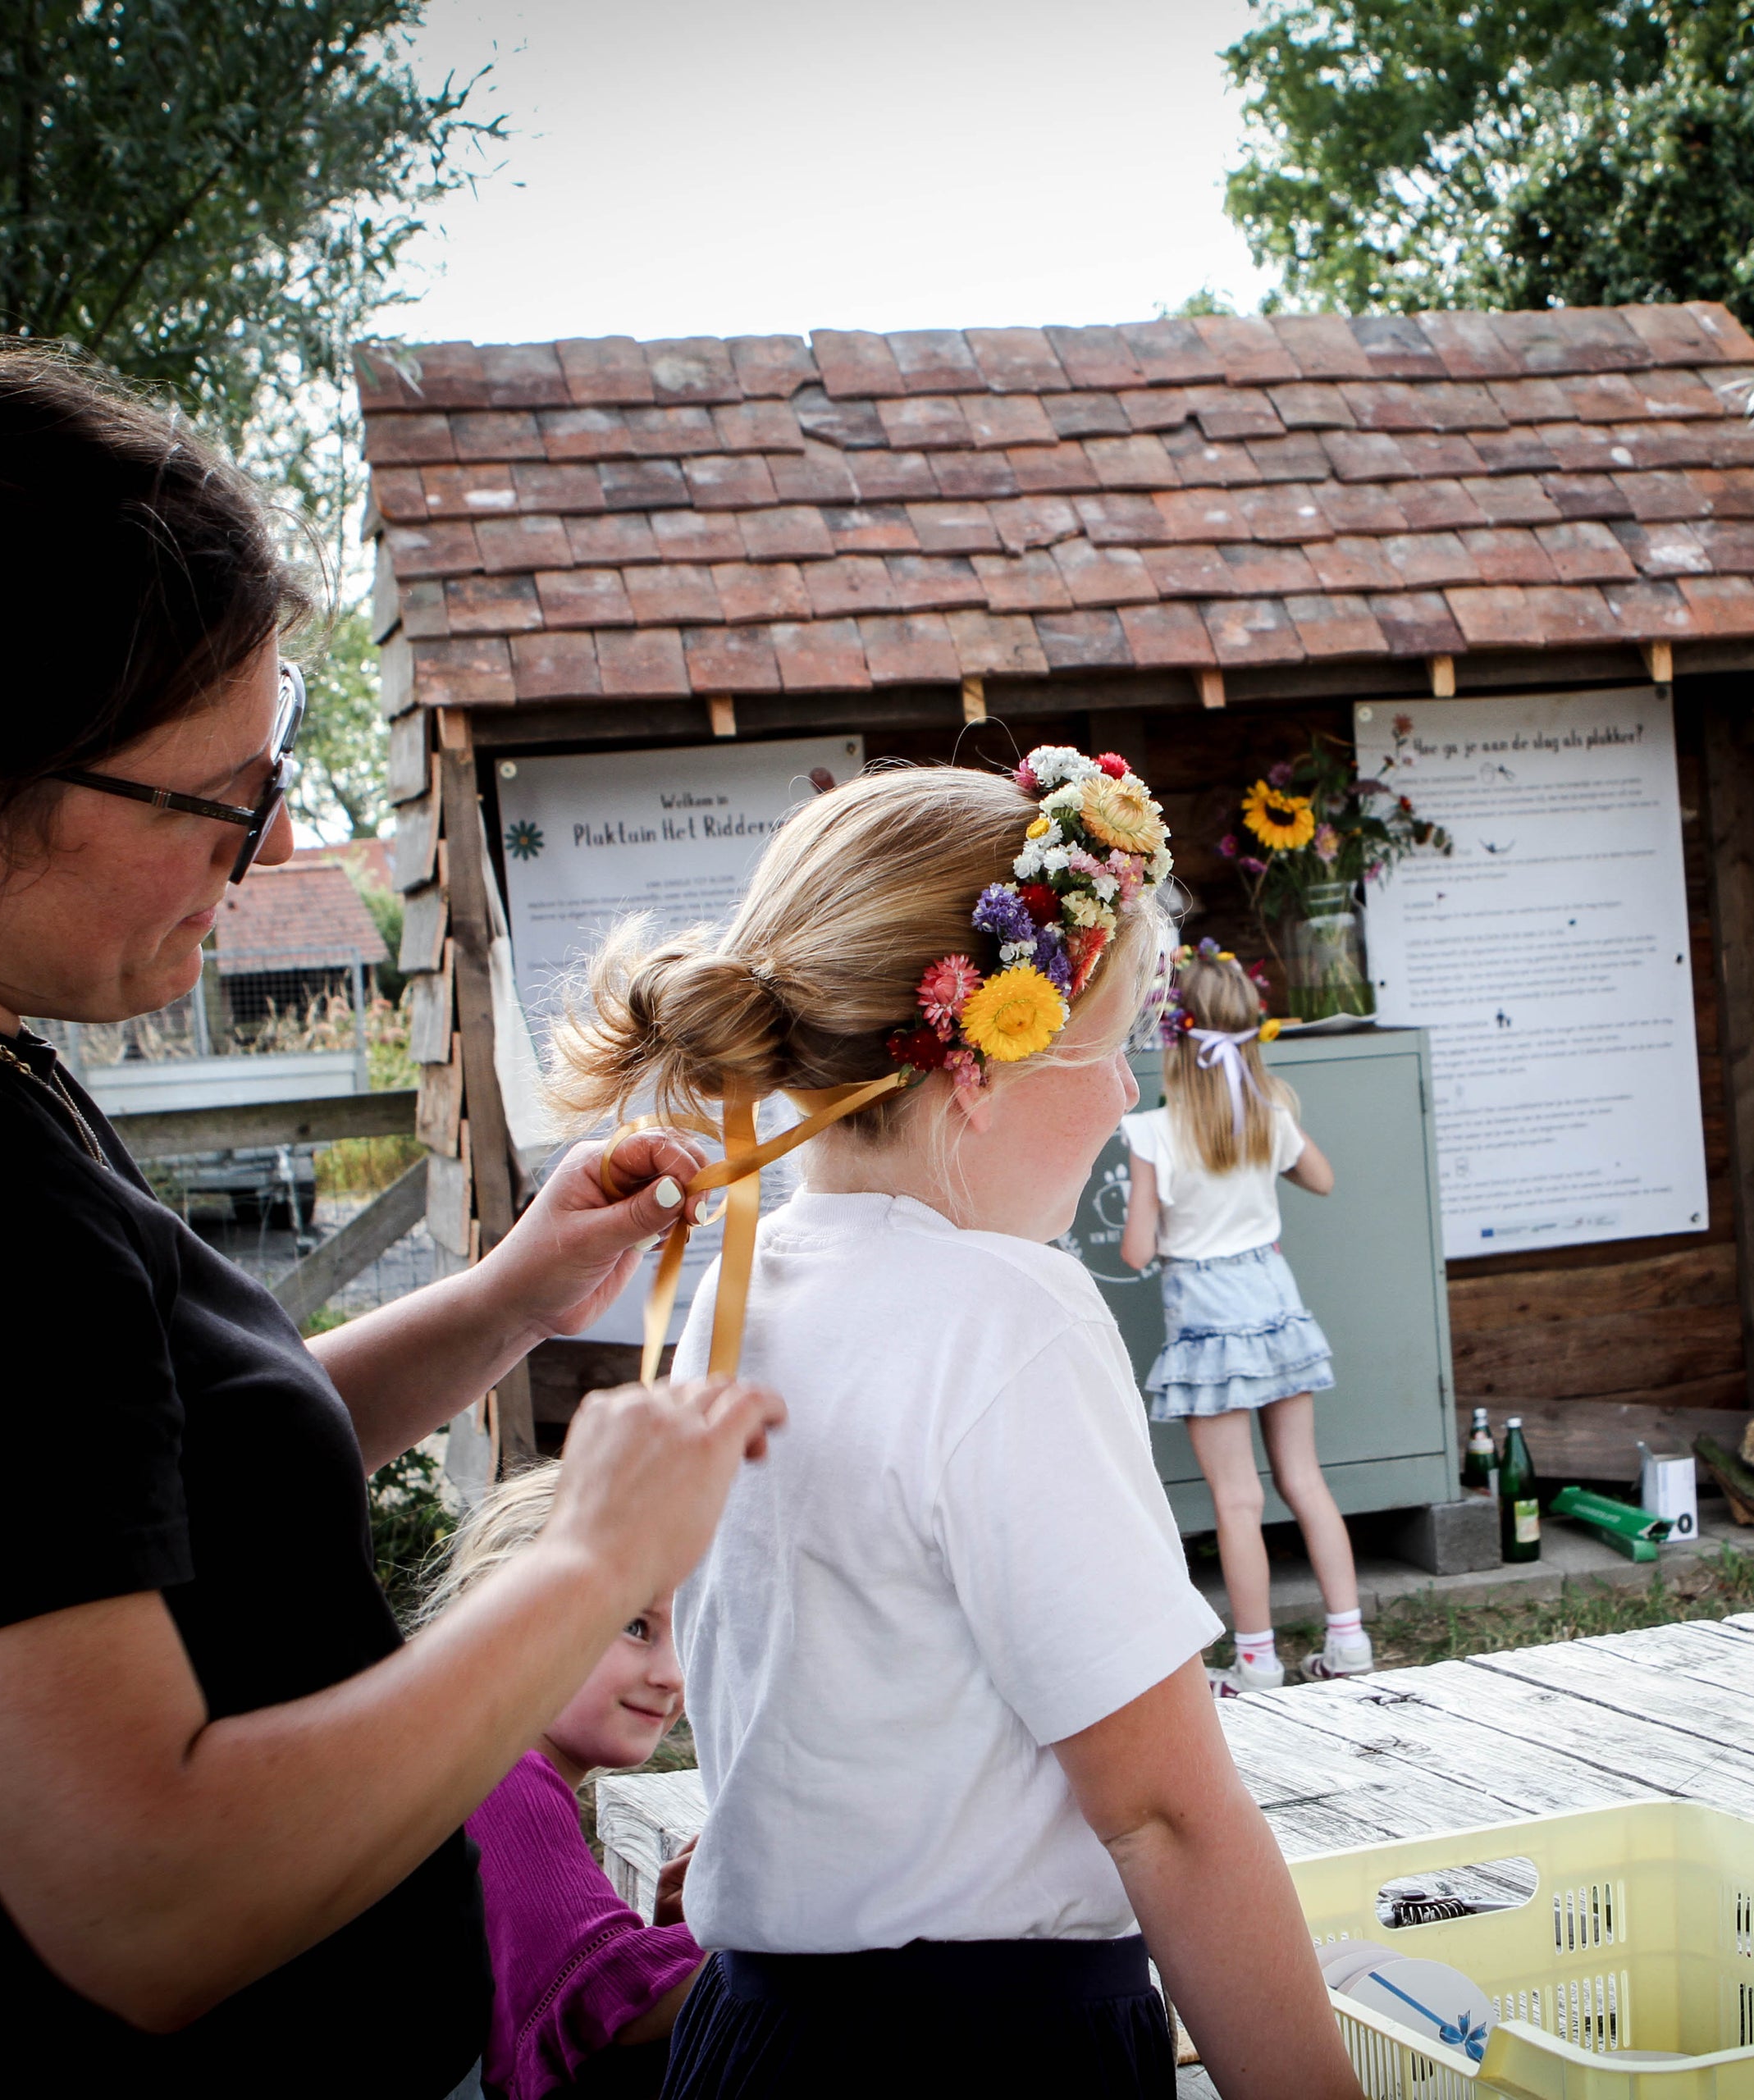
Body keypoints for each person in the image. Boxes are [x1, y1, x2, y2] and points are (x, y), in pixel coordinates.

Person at [0, 324, 779, 2098]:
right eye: (213, 804)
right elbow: (153, 1896)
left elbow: (105, 1494)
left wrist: (503, 1296)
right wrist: (590, 1565)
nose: (254, 857)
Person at [544, 750, 1355, 2100]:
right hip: (984, 2052)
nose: (1121, 1104)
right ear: (984, 1064)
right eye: (1110, 1053)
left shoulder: (746, 1277)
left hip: (761, 2035)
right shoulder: (1006, 1316)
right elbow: (1167, 1816)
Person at [1117, 943, 1363, 1696]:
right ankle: (1348, 1641)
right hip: (1277, 1310)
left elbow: (1134, 1252)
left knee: (1237, 1498)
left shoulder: (1156, 1133)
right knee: (1305, 1481)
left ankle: (1256, 1662)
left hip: (1208, 1325)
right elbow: (1321, 1179)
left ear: (1176, 1039)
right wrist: (1270, 1136)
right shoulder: (1267, 1115)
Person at [417, 1466, 706, 2100]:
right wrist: (763, 1914)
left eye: (685, 1633)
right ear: (510, 1620)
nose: (672, 1674)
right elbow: (603, 1996)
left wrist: (671, 1940)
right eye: (636, 1626)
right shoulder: (499, 1776)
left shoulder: (466, 1763)